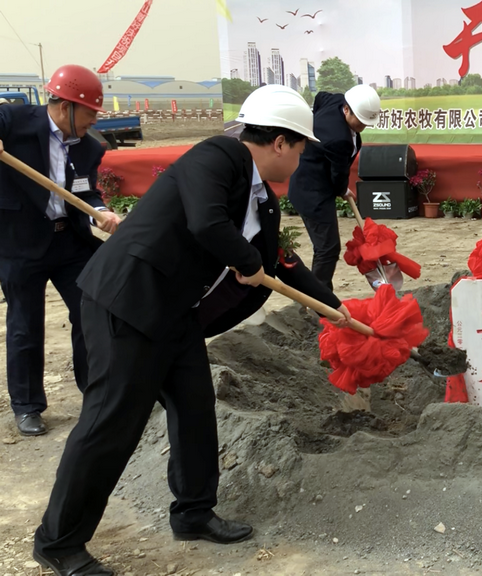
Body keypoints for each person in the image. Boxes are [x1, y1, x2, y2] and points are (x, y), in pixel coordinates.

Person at [32, 85, 351, 576]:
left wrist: (335, 309)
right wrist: (245, 261)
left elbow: (281, 262)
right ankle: (59, 542)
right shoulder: (218, 156)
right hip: (127, 300)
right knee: (111, 422)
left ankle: (193, 512)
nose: (302, 158)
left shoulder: (263, 200)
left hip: (174, 311)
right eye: (302, 147)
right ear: (280, 143)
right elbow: (207, 222)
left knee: (195, 407)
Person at [0, 64, 121, 436]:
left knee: (91, 312)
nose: (94, 120)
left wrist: (100, 210)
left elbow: (86, 191)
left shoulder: (88, 146)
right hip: (19, 243)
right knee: (25, 324)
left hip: (69, 241)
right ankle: (27, 406)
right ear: (66, 105)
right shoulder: (15, 121)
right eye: (90, 112)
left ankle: (95, 393)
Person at [288, 84, 381, 290]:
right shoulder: (339, 139)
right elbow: (338, 174)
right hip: (311, 192)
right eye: (361, 121)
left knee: (325, 247)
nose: (363, 126)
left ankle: (317, 294)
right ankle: (319, 299)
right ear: (346, 109)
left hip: (314, 179)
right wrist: (342, 189)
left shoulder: (336, 100)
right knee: (327, 248)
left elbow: (320, 97)